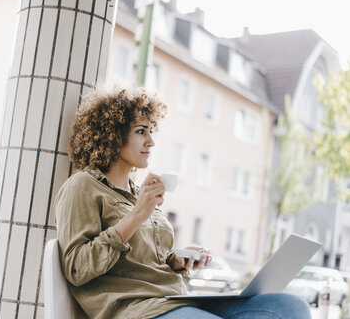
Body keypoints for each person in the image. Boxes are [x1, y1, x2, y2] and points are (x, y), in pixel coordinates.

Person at [55, 85, 311, 319]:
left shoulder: (139, 193)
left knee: (291, 308)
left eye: (151, 131)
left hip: (174, 300)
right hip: (135, 310)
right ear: (111, 135)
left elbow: (143, 263)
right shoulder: (83, 186)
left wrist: (175, 261)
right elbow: (76, 269)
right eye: (141, 131)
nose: (151, 141)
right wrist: (136, 215)